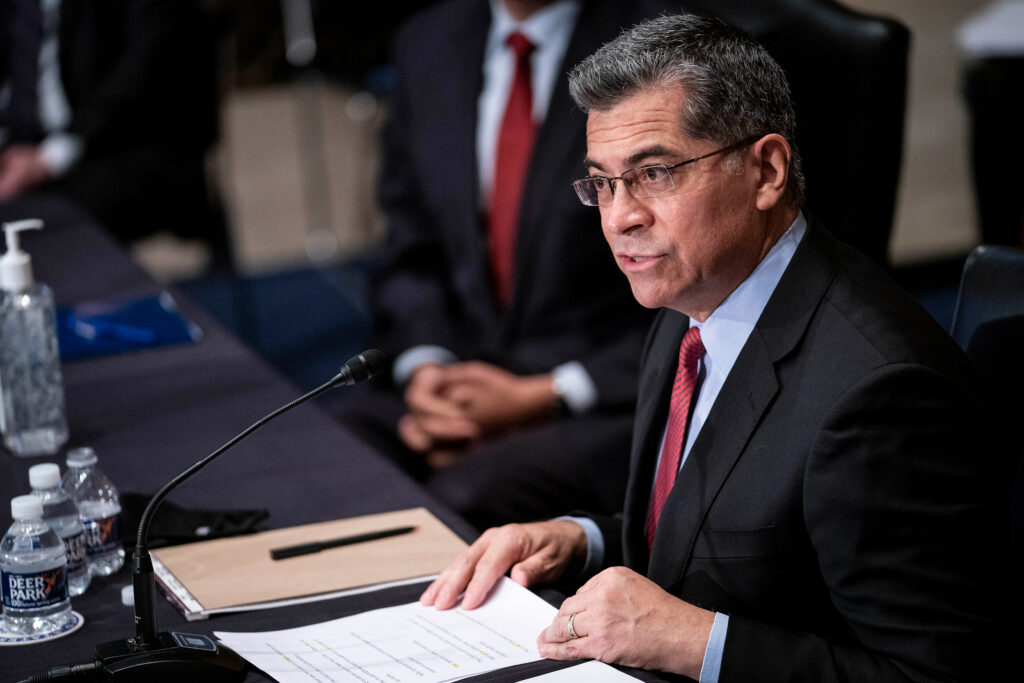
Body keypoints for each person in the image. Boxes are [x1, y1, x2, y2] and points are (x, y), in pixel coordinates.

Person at [421, 13, 1007, 682]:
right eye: (603, 183)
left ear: (766, 171)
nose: (620, 218)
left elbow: (940, 674)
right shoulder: (690, 307)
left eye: (655, 173)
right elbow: (718, 539)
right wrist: (576, 538)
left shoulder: (879, 394)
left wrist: (696, 641)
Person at [344, 0, 666, 530]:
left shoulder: (662, 38)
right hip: (464, 371)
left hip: (612, 390)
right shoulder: (427, 40)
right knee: (336, 452)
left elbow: (706, 275)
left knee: (461, 499)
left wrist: (546, 395)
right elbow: (409, 250)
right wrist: (429, 373)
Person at [0, 0, 226, 266]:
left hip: (121, 147)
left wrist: (45, 160)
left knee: (50, 225)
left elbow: (148, 71)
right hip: (24, 148)